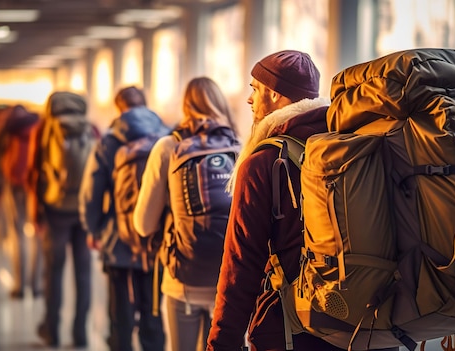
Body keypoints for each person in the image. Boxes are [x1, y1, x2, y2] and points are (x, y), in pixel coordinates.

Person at [205, 50, 399, 351]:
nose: (249, 99)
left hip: (293, 331)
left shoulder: (265, 162)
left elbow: (240, 266)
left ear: (273, 93)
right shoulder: (359, 146)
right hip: (373, 326)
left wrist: (221, 343)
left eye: (254, 89)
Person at [133, 77, 239, 351]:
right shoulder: (241, 146)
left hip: (183, 281)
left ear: (186, 106)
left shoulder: (168, 147)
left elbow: (143, 225)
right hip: (230, 282)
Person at [80, 86, 168, 351]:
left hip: (118, 241)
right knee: (153, 311)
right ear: (145, 104)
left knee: (120, 313)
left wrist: (93, 229)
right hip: (155, 240)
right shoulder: (166, 138)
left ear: (120, 108)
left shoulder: (109, 141)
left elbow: (92, 191)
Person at [30, 92, 97, 348]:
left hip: (55, 210)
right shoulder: (91, 129)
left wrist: (37, 212)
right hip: (83, 212)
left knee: (53, 272)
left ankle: (52, 331)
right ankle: (80, 334)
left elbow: (35, 173)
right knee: (83, 274)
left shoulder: (45, 129)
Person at [0, 105, 43, 299]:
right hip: (34, 185)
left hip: (14, 184)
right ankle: (37, 285)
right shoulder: (39, 126)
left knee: (16, 234)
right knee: (37, 234)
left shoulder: (9, 128)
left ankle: (19, 285)